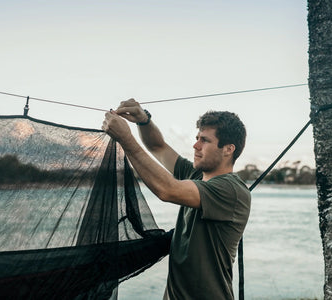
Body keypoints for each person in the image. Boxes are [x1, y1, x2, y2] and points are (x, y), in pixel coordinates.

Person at [102, 99, 251, 300]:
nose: (195, 145)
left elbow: (168, 190)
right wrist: (143, 120)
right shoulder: (195, 175)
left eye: (204, 140)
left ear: (228, 149)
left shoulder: (231, 190)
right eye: (197, 137)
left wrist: (126, 139)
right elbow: (158, 147)